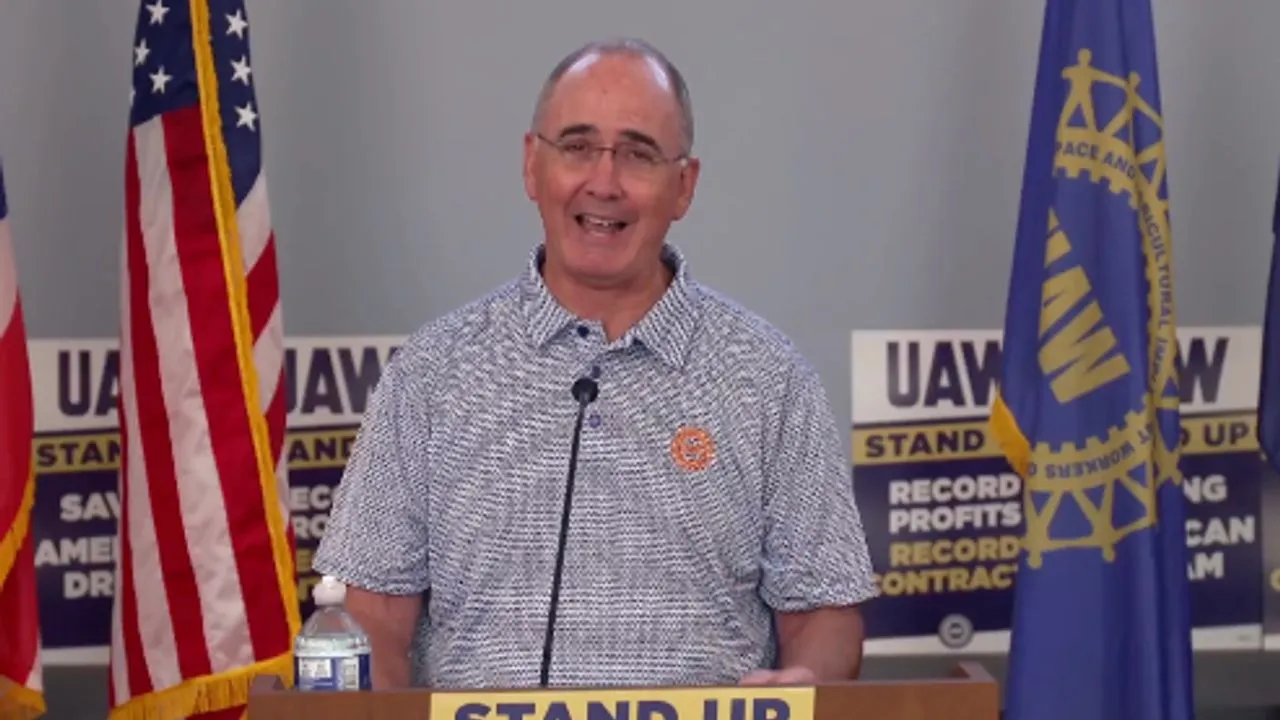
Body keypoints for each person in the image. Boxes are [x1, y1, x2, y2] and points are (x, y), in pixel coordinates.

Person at [312, 36, 879, 691]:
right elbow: (373, 617)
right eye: (577, 147)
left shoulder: (769, 378)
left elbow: (826, 614)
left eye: (638, 154)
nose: (603, 183)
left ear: (684, 186)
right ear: (532, 166)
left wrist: (808, 677)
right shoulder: (432, 372)